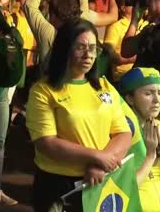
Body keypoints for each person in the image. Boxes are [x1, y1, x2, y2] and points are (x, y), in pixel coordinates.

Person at [26, 18, 132, 212]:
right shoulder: (43, 91)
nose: (88, 55)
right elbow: (46, 143)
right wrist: (96, 158)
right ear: (65, 49)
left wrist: (100, 164)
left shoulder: (105, 87)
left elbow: (124, 133)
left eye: (93, 48)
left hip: (99, 181)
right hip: (58, 187)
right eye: (81, 47)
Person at [119, 67, 160, 212]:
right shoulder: (120, 133)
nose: (156, 100)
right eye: (148, 93)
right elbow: (124, 189)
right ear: (130, 99)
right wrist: (150, 155)